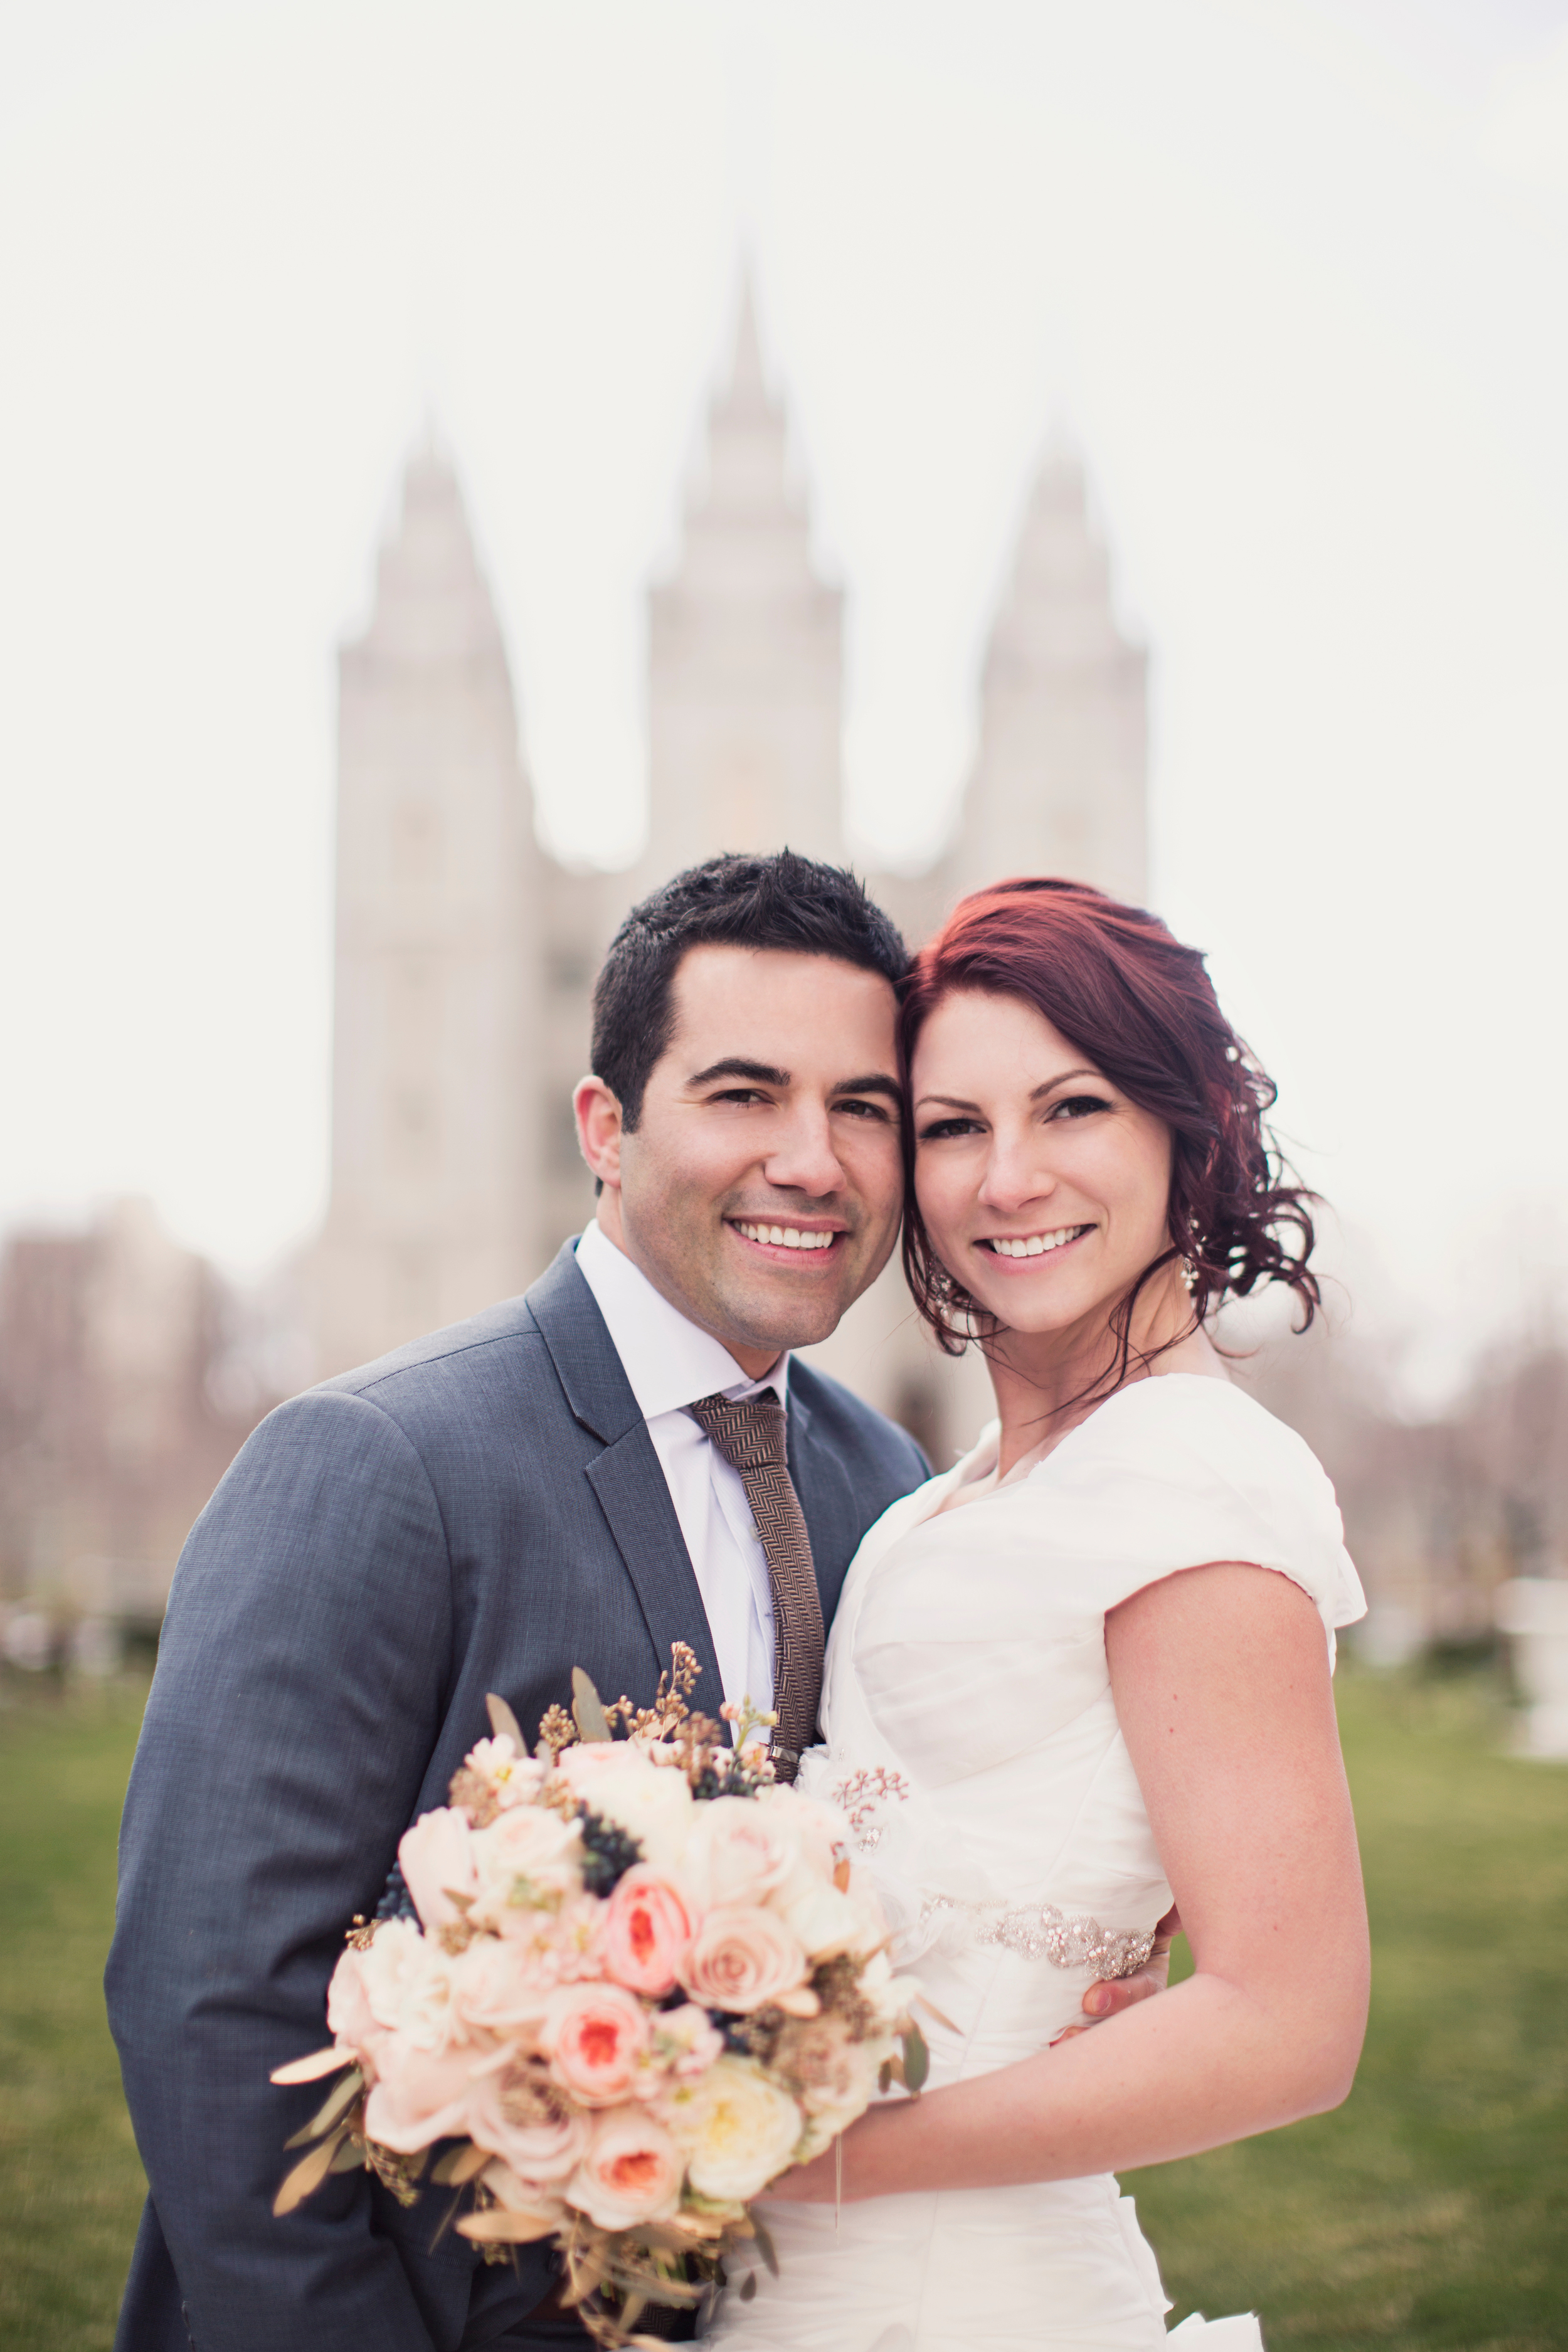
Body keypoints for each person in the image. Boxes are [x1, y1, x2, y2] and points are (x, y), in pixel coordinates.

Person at [105, 853, 1167, 2352]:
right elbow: (212, 2010)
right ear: (604, 1127)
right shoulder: (376, 1465)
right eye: (743, 1094)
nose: (814, 1161)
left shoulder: (889, 1488)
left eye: (862, 1107)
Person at [702, 876, 1370, 2352]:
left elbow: (1288, 2024)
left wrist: (826, 2161)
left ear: (1179, 1127)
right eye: (952, 1127)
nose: (1006, 1180)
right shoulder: (968, 1487)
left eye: (1068, 1110)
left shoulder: (1189, 1471)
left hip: (956, 2286)